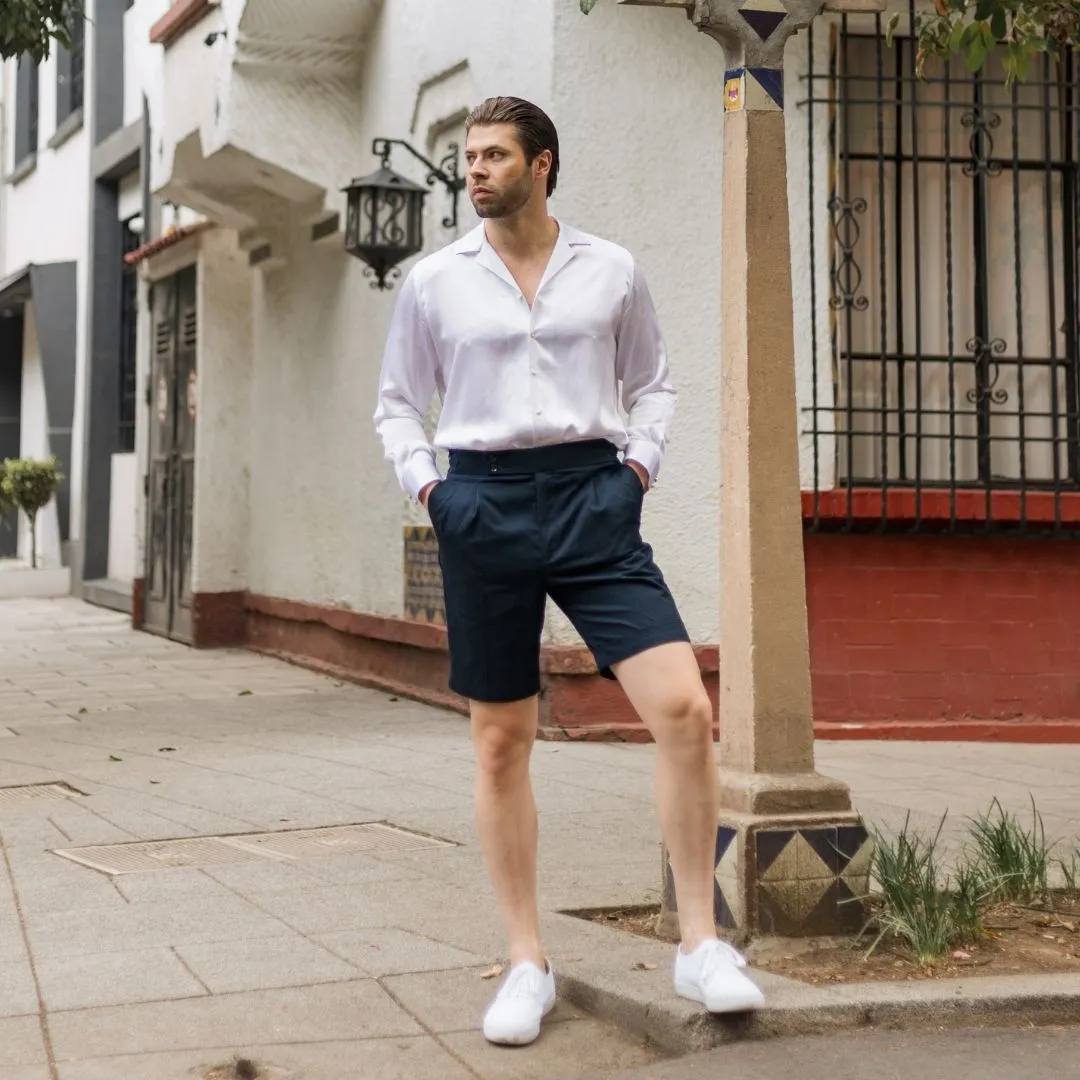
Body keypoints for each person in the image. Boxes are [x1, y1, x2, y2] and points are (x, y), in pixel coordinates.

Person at [373, 95, 764, 1047]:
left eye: (495, 155)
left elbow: (655, 385)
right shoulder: (435, 281)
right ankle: (526, 963)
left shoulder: (611, 270)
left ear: (543, 165)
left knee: (685, 710)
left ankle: (699, 944)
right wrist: (436, 496)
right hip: (482, 505)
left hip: (595, 500)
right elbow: (395, 405)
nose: (474, 170)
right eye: (467, 156)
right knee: (503, 742)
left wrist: (636, 470)